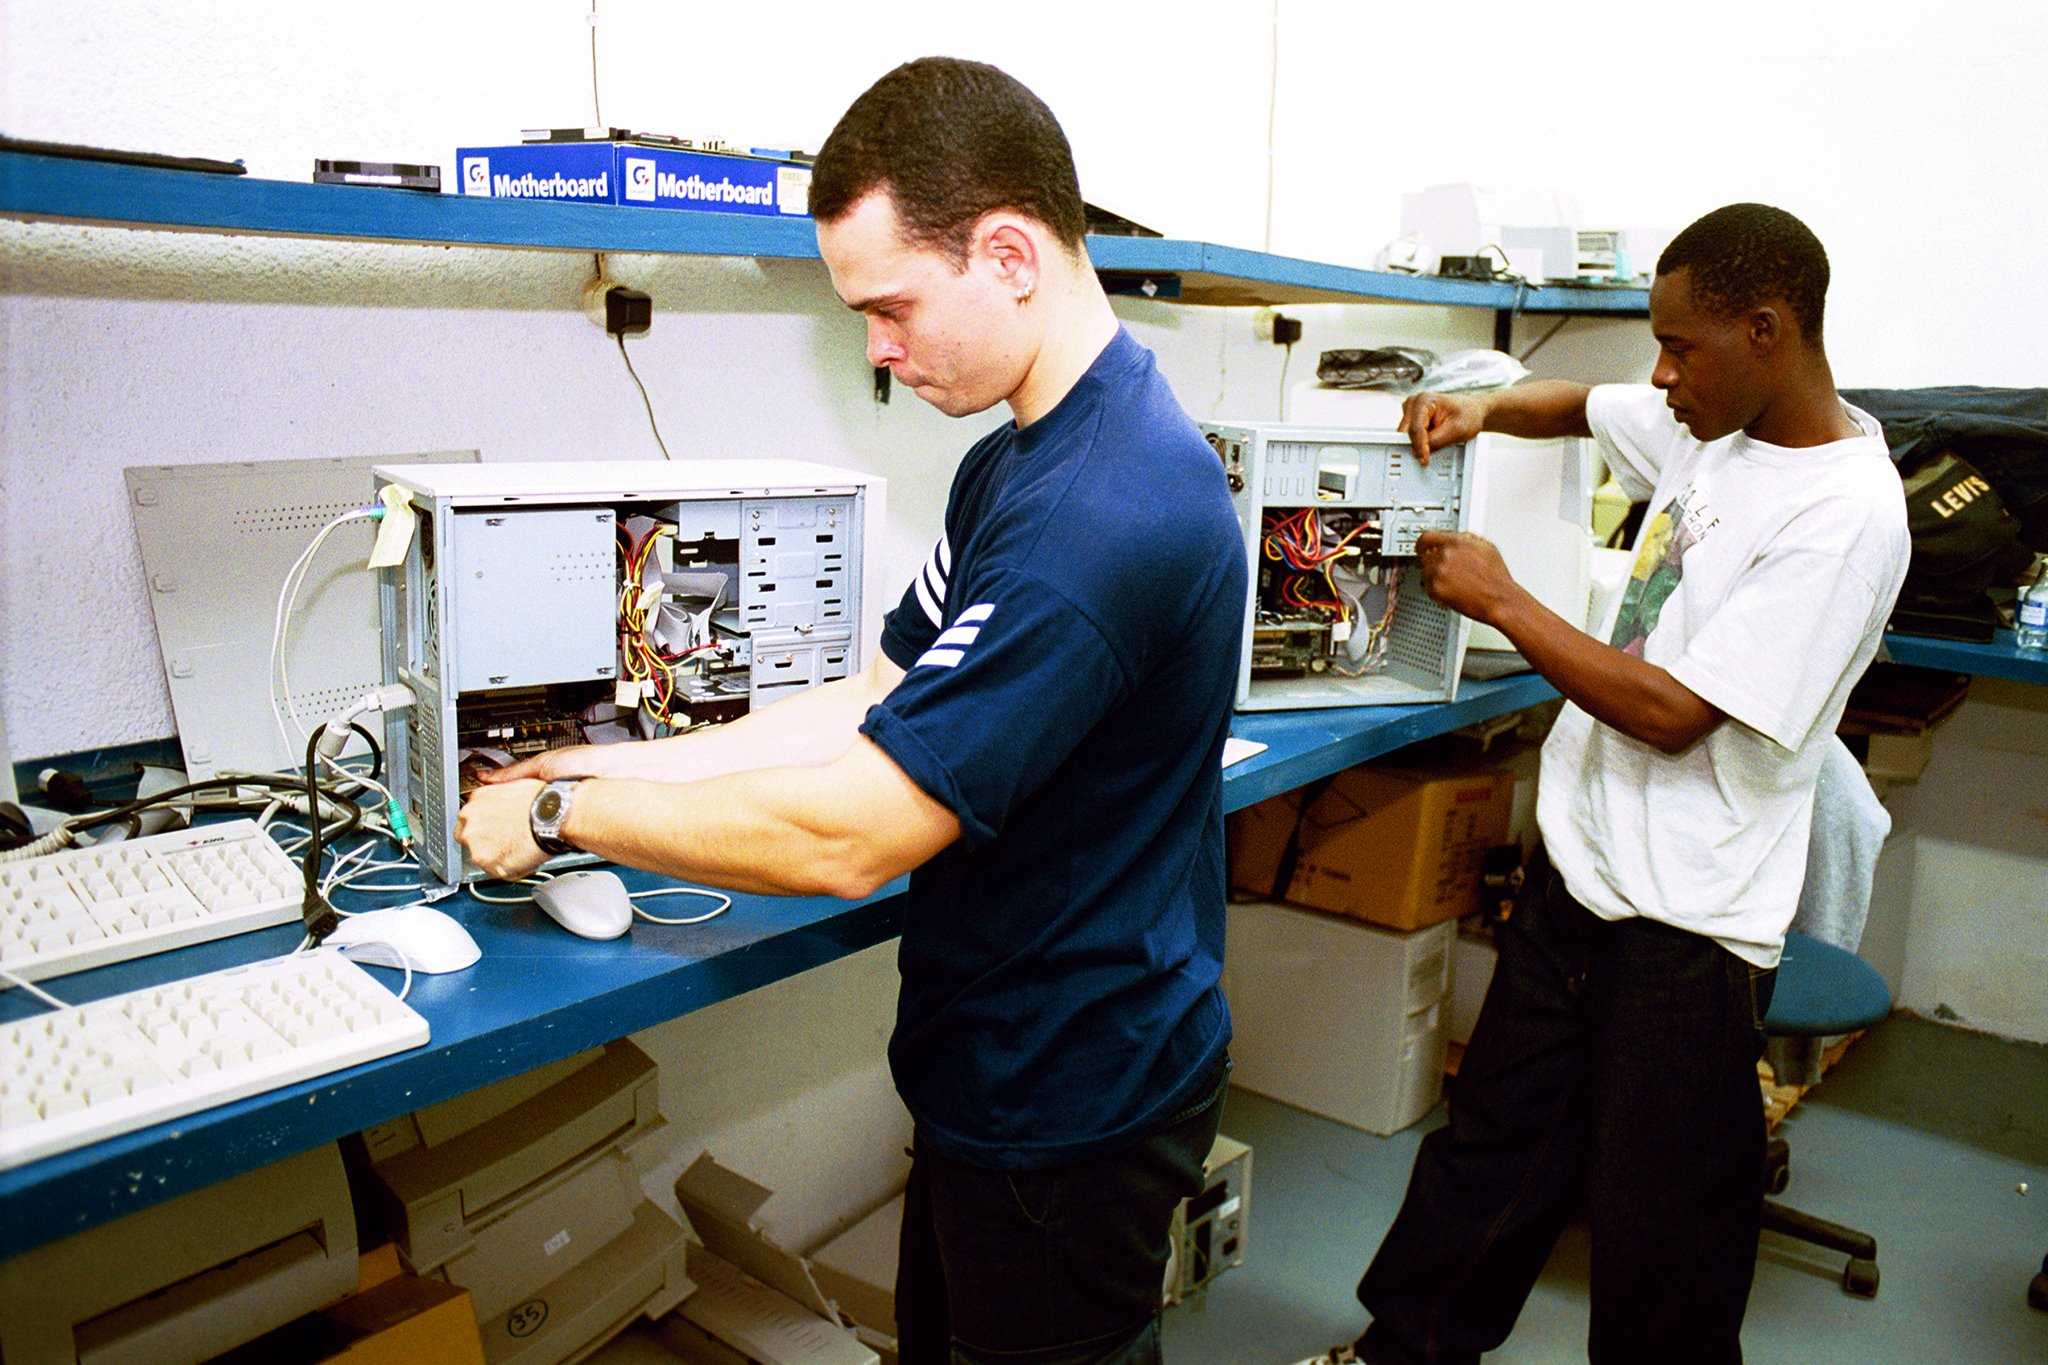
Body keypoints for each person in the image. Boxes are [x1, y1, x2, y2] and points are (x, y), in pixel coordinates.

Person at [456, 57, 1246, 1365]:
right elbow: (872, 698)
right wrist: (601, 764)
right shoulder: (1020, 461)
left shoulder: (1105, 512)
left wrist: (564, 818)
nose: (877, 349)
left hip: (1070, 1095)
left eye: (890, 307)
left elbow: (851, 838)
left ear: (1008, 255)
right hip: (1004, 1057)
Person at [1304, 203, 1910, 1364]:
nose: (1659, 373)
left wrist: (1504, 600)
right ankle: (1401, 1354)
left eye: (1679, 348)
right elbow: (1576, 403)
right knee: (1490, 1153)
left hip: (1687, 927)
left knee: (1661, 1234)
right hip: (1578, 874)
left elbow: (1674, 715)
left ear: (1766, 330)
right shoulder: (1708, 423)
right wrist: (1479, 408)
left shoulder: (1843, 516)